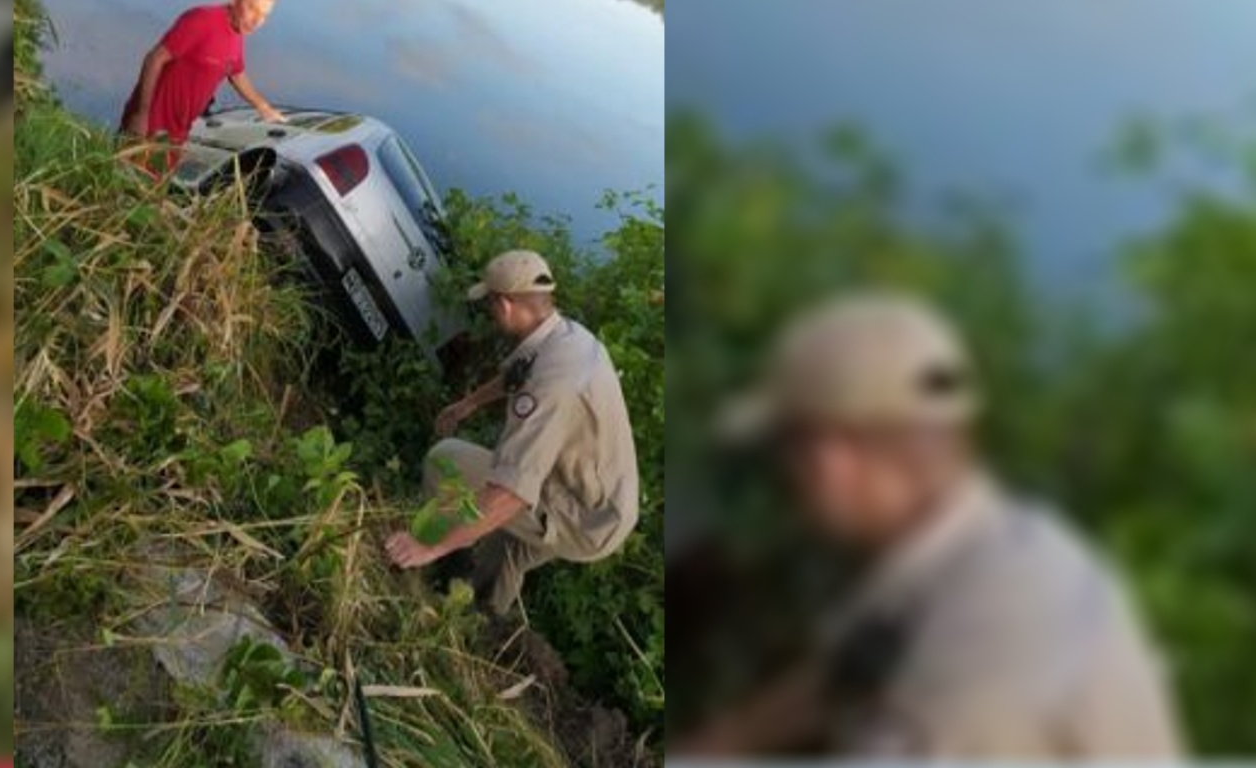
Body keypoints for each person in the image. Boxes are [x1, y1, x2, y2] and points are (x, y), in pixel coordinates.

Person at [674, 290, 1184, 760]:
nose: (787, 479)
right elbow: (843, 673)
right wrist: (717, 746)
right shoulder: (990, 550)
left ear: (831, 460)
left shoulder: (983, 653)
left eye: (786, 451)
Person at [383, 250, 640, 616]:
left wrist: (430, 550)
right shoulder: (566, 336)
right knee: (506, 546)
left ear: (504, 305)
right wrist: (468, 403)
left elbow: (513, 494)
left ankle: (423, 554)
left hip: (586, 519)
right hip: (607, 502)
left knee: (445, 459)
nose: (489, 311)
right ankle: (482, 626)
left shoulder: (551, 388)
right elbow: (517, 373)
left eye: (489, 302)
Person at [118, 0, 288, 166]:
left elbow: (236, 73)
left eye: (264, 15)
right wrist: (141, 115)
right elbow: (154, 59)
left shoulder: (238, 34)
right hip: (150, 125)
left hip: (177, 135)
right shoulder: (201, 19)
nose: (257, 21)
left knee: (151, 192)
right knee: (123, 182)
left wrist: (263, 106)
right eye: (252, 8)